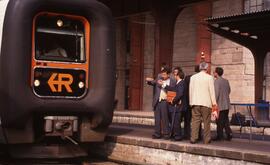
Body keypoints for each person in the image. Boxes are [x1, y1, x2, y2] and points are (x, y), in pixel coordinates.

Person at [189, 62, 217, 144]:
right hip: (206, 103)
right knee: (206, 122)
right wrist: (214, 103)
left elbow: (191, 90)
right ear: (207, 68)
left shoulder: (193, 77)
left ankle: (193, 138)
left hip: (195, 102)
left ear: (199, 68)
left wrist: (191, 102)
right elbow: (212, 92)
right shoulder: (209, 78)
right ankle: (206, 139)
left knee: (195, 121)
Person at [146, 66, 176, 139]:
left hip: (165, 102)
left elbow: (172, 91)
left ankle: (166, 134)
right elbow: (153, 82)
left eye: (165, 74)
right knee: (157, 118)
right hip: (157, 101)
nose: (163, 76)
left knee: (165, 118)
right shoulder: (159, 77)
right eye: (162, 74)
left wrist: (164, 85)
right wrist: (148, 81)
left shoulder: (172, 80)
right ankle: (157, 134)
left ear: (168, 75)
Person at [160, 67, 186, 141]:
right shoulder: (178, 83)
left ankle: (177, 136)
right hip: (175, 106)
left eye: (175, 74)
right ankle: (175, 135)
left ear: (177, 75)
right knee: (174, 121)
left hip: (177, 106)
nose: (174, 76)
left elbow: (180, 94)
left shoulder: (181, 83)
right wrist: (164, 85)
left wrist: (173, 100)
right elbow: (173, 89)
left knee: (176, 122)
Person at [213, 67, 233, 141]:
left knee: (219, 121)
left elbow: (216, 93)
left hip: (219, 104)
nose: (213, 73)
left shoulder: (216, 81)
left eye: (214, 72)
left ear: (216, 73)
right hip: (226, 104)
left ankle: (219, 136)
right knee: (225, 120)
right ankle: (229, 133)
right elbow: (229, 90)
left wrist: (214, 103)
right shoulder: (226, 81)